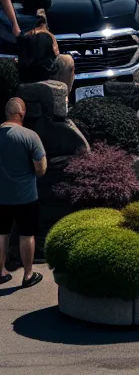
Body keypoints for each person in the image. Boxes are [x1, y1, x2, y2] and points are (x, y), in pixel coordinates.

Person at [0, 98, 46, 288]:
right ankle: (28, 275)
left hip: (1, 196)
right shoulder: (30, 136)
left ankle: (1, 272)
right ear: (21, 114)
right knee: (26, 235)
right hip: (26, 196)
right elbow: (41, 168)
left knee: (1, 234)